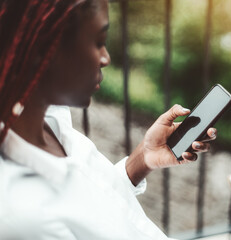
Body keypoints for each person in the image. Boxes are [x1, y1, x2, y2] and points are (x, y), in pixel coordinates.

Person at [0, 0, 217, 239]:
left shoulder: (53, 125)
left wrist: (143, 158)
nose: (106, 58)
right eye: (99, 43)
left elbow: (97, 204)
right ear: (43, 49)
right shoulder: (24, 217)